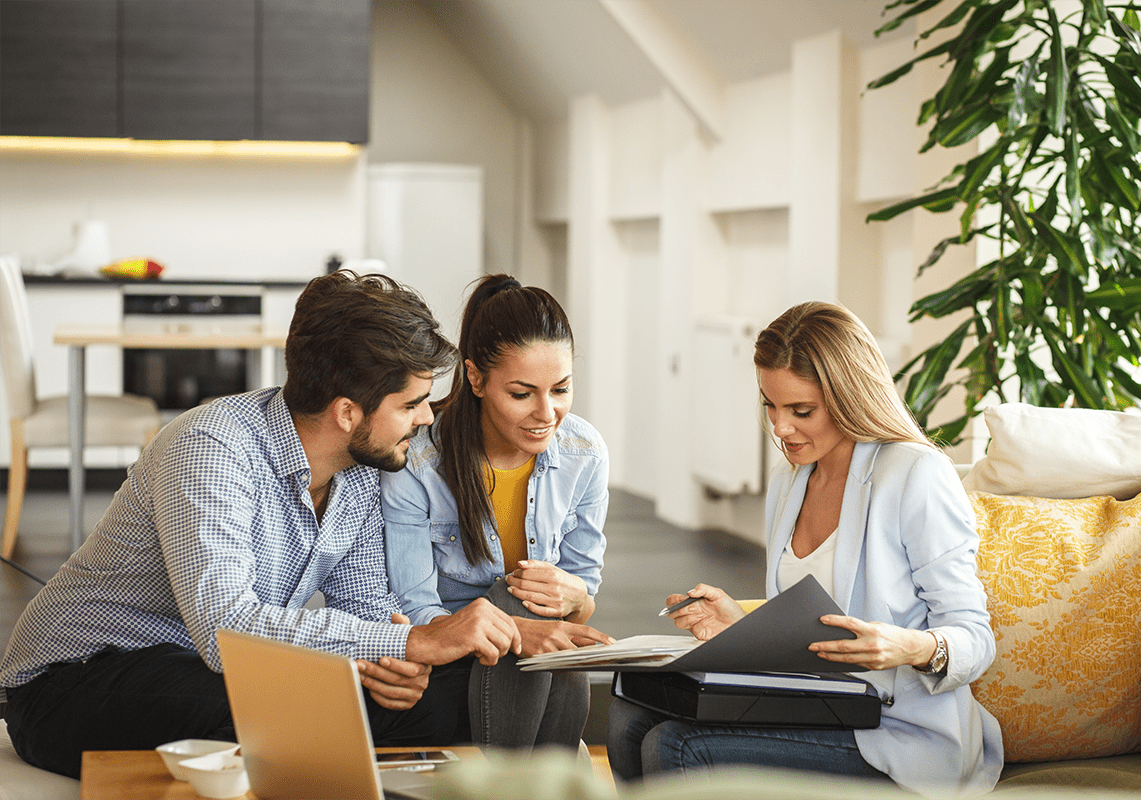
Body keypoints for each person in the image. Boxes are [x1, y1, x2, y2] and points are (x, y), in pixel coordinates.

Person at [0, 271, 522, 779]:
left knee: (436, 704)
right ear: (346, 412)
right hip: (73, 680)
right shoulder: (211, 447)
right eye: (411, 404)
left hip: (208, 670)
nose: (428, 417)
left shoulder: (364, 469)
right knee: (278, 707)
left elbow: (366, 608)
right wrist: (411, 645)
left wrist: (393, 662)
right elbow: (224, 628)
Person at [607, 301, 1003, 795]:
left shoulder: (915, 475)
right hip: (818, 707)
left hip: (897, 732)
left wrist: (909, 646)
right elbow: (812, 623)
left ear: (850, 396)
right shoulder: (790, 480)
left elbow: (975, 639)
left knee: (677, 745)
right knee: (627, 717)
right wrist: (740, 623)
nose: (779, 427)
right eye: (770, 404)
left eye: (801, 411)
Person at [381, 274, 612, 751]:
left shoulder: (584, 453)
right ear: (476, 378)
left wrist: (573, 596)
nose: (547, 413)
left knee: (539, 613)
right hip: (451, 656)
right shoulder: (419, 462)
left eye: (561, 389)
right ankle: (546, 776)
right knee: (511, 600)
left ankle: (527, 781)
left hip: (537, 659)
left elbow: (582, 601)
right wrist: (514, 629)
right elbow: (415, 609)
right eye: (522, 394)